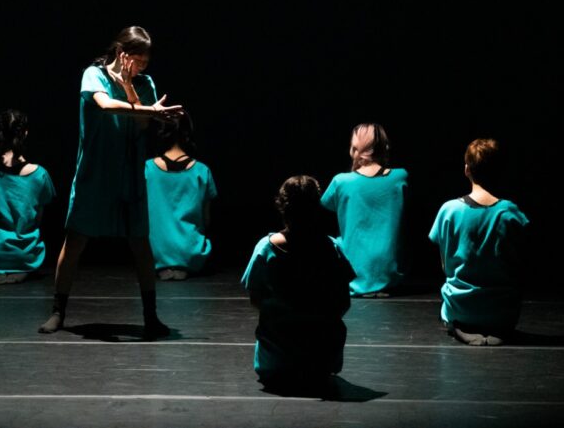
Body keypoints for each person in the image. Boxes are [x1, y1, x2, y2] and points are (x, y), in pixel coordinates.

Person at [39, 26, 184, 337]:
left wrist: (131, 87)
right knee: (75, 242)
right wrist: (150, 109)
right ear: (121, 53)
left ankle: (151, 316)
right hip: (95, 172)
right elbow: (104, 105)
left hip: (128, 174)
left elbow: (142, 125)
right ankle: (58, 311)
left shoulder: (144, 83)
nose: (142, 67)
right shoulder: (94, 75)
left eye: (146, 63)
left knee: (140, 244)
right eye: (138, 61)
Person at [242, 175, 354, 396]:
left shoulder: (266, 248)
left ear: (282, 207)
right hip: (320, 362)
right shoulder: (332, 249)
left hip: (276, 363)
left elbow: (256, 298)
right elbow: (343, 302)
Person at [429, 138, 529, 346]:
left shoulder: (449, 210)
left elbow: (445, 265)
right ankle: (495, 327)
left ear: (467, 169)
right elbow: (520, 265)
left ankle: (460, 324)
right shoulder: (510, 213)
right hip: (501, 313)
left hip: (460, 309)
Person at [0, 109, 56, 283]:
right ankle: (17, 266)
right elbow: (38, 220)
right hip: (25, 255)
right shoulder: (40, 175)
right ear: (25, 133)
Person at [320, 123, 407, 296]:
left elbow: (324, 207)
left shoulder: (341, 181)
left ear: (354, 150)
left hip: (352, 273)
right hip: (390, 274)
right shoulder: (401, 176)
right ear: (385, 147)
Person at [145, 112, 217, 280]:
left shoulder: (147, 169)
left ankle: (166, 263)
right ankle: (182, 263)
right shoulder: (202, 171)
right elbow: (206, 220)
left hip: (154, 253)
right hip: (192, 253)